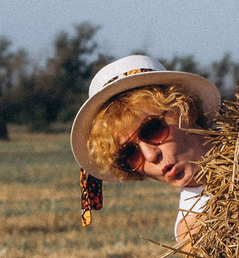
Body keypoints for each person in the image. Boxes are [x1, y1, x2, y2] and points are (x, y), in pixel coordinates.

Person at [69, 55, 224, 242]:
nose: (150, 155)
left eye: (152, 130)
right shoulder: (194, 230)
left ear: (184, 109)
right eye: (130, 154)